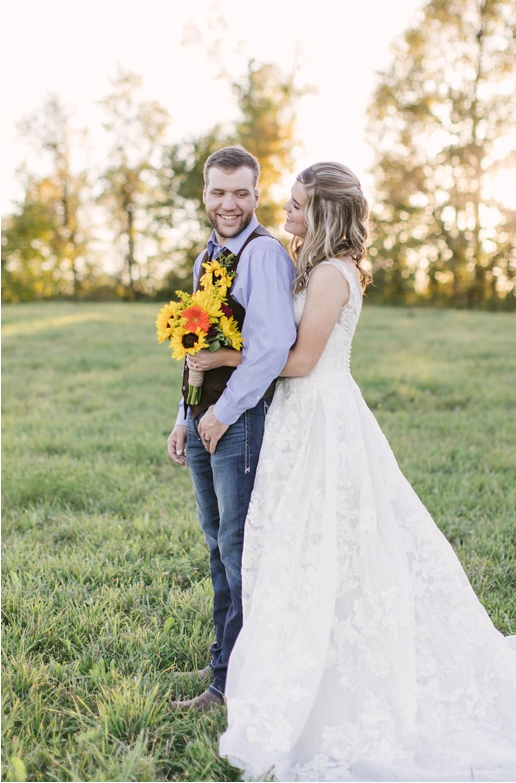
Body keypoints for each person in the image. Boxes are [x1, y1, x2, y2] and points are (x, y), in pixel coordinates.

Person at [211, 162, 516, 781]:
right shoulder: (314, 267)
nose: (284, 216)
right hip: (302, 420)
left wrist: (229, 356)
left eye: (295, 207)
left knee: (335, 540)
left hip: (320, 416)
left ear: (325, 214)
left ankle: (335, 669)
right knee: (307, 542)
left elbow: (303, 360)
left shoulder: (334, 276)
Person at [167, 145, 297, 712]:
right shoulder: (206, 257)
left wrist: (221, 414)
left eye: (241, 192)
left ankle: (232, 682)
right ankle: (226, 655)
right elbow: (194, 346)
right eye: (219, 192)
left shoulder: (264, 255)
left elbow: (271, 350)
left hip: (239, 421)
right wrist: (184, 416)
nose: (229, 203)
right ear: (205, 194)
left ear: (257, 194)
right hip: (204, 419)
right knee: (216, 545)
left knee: (239, 547)